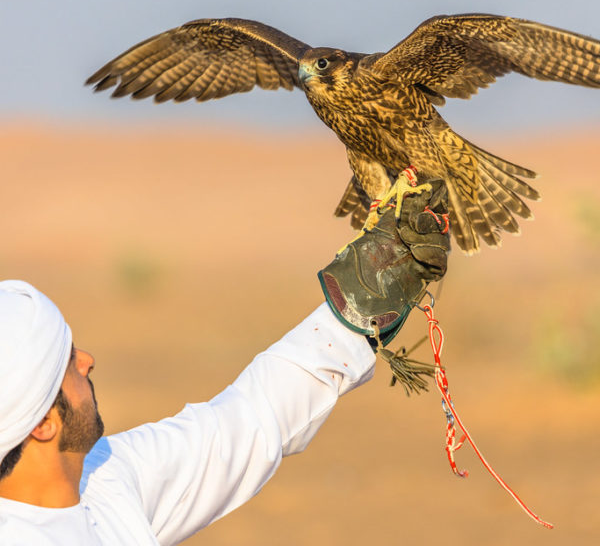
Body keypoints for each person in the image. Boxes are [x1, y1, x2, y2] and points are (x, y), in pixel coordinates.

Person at [0, 183, 449, 545]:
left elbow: (246, 421)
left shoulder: (106, 479)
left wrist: (356, 312)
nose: (88, 361)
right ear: (41, 422)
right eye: (66, 364)